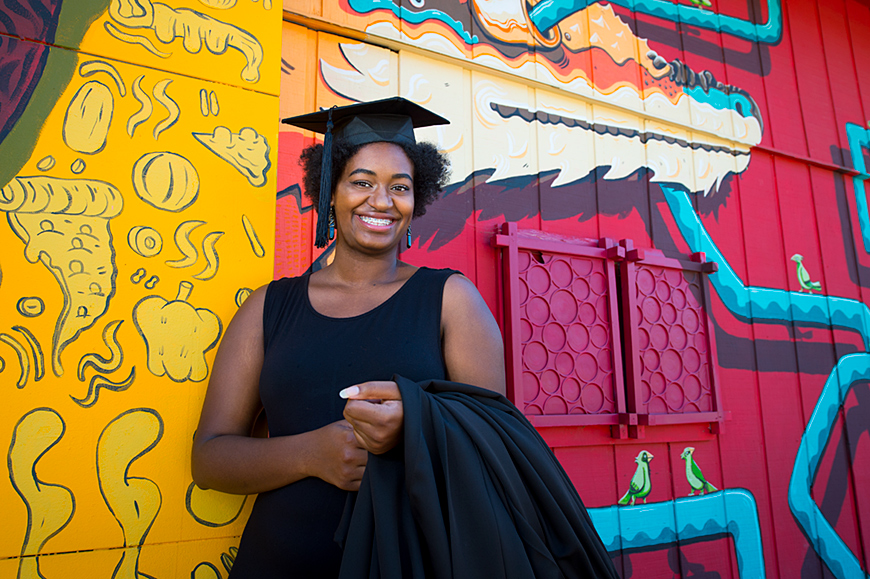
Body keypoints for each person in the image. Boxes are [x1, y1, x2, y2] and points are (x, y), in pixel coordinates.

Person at [191, 97, 507, 578]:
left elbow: (498, 450)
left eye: (399, 187)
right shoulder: (268, 308)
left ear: (415, 197)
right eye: (361, 182)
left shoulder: (450, 301)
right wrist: (311, 454)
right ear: (329, 190)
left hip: (412, 562)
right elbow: (209, 460)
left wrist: (417, 430)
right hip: (277, 564)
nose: (381, 201)